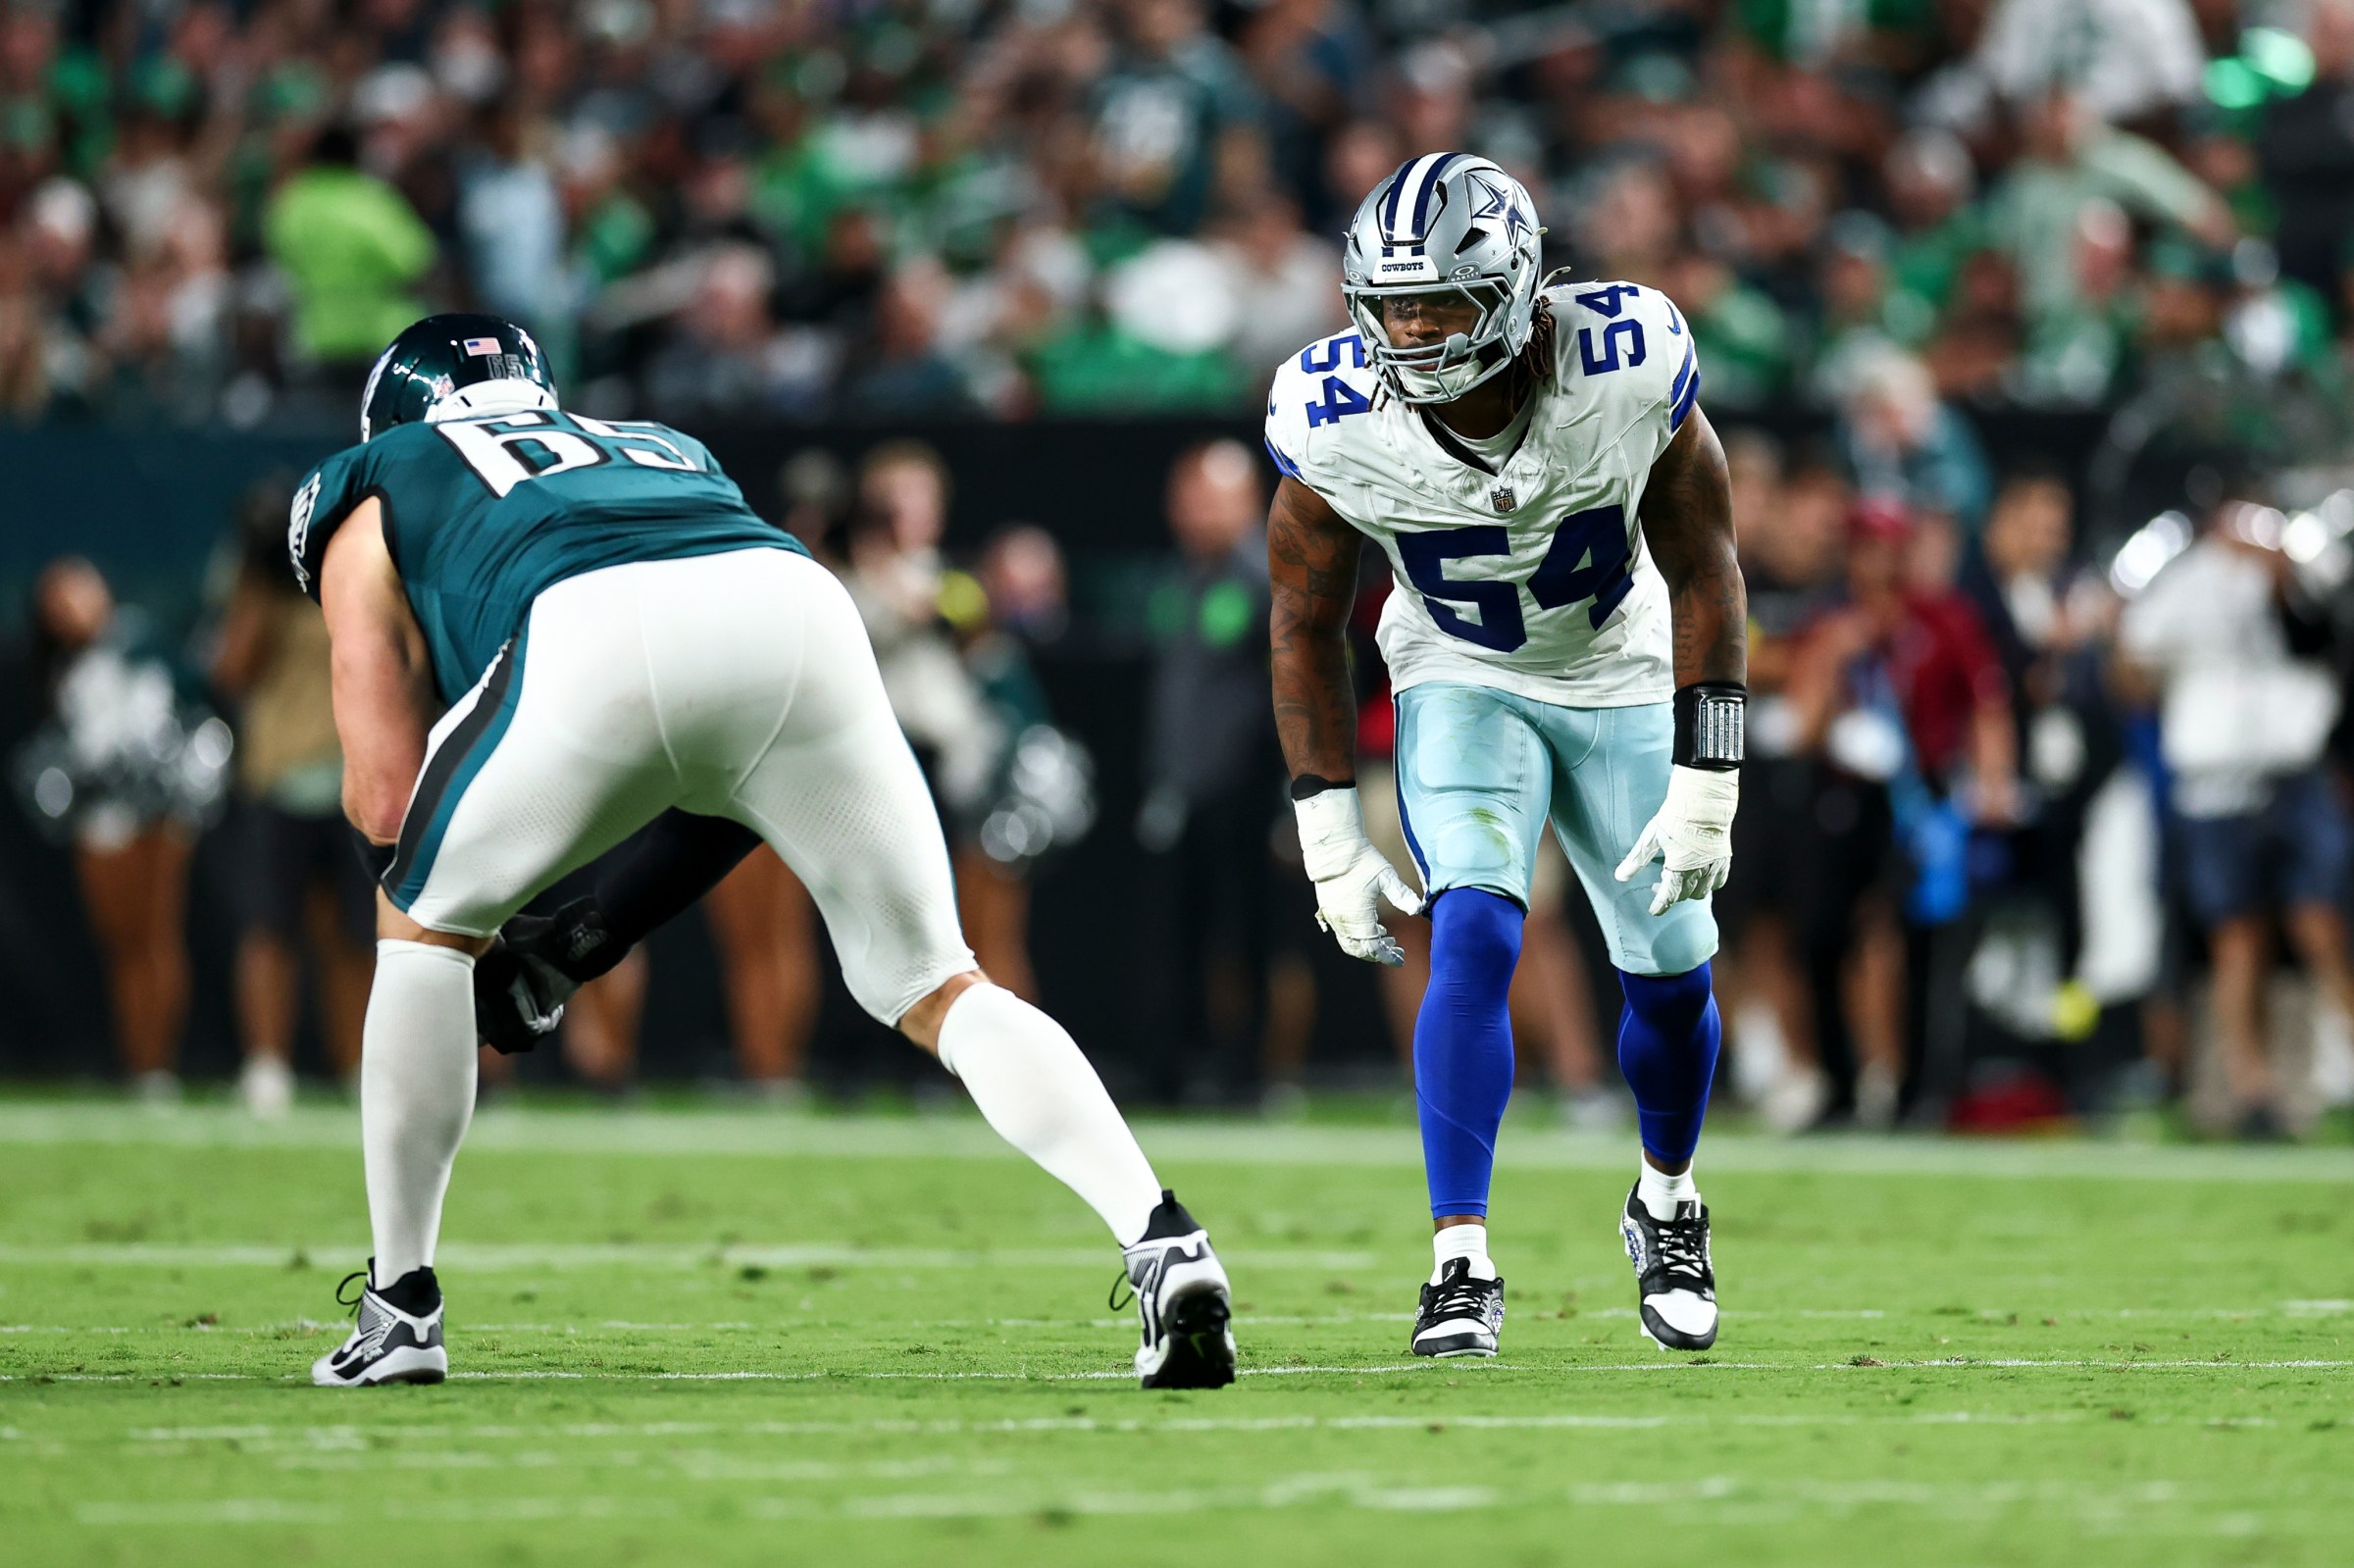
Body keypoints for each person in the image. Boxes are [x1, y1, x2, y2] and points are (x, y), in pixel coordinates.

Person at [297, 314, 1234, 1391]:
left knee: (418, 923)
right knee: (939, 981)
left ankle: (401, 1304)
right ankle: (1162, 1239)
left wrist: (443, 927)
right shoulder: (659, 444)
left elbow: (379, 790)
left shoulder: (377, 479)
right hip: (795, 606)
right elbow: (732, 796)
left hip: (586, 617)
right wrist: (571, 950)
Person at [1262, 155, 1745, 1357]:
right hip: (1459, 672)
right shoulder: (1335, 416)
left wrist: (1711, 772)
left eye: (1439, 303)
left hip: (1620, 668)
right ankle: (1459, 1262)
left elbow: (1707, 566)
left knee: (1671, 970)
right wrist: (1327, 825)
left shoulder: (1625, 363)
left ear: (1518, 291)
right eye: (1391, 306)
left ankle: (1667, 1200)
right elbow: (1303, 619)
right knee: (1474, 927)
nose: (1412, 333)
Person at [2118, 493, 2354, 1137]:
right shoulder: (2181, 580)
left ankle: (2345, 1069)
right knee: (2236, 932)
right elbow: (2132, 666)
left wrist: (2284, 586)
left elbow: (2326, 638)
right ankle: (2253, 1087)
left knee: (2322, 916)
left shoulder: (2304, 566)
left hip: (2294, 768)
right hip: (2215, 778)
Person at [21, 558, 222, 1101]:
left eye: (77, 592)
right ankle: (138, 1060)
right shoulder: (61, 669)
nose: (71, 608)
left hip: (157, 808)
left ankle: (159, 1064)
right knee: (121, 941)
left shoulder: (140, 638)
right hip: (99, 815)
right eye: (57, 604)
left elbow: (189, 703)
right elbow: (63, 746)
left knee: (156, 934)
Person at [211, 481, 377, 1116]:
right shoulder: (254, 583)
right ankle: (267, 1064)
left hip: (351, 776)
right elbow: (231, 671)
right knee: (269, 926)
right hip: (279, 773)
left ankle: (357, 1064)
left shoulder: (350, 567)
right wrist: (258, 587)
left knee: (355, 935)